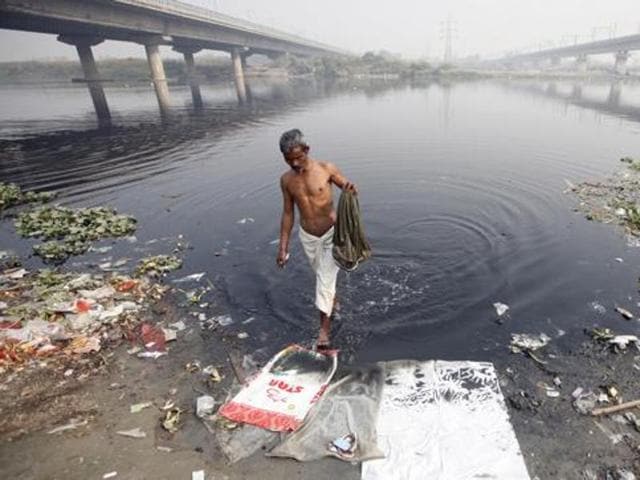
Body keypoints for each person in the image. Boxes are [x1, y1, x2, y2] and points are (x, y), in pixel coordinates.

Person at [276, 128, 357, 349]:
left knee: (324, 280)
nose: (294, 164)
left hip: (333, 234)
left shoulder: (325, 169)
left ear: (307, 150)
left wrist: (349, 188)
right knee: (324, 280)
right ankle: (333, 302)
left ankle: (323, 333)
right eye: (288, 159)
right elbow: (288, 213)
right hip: (309, 237)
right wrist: (283, 247)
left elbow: (345, 185)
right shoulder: (286, 181)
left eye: (298, 157)